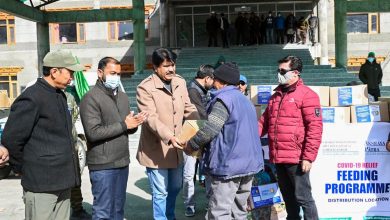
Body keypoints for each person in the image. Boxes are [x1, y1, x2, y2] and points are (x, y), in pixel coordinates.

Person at [1, 50, 83, 220]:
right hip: (41, 185)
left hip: (63, 181)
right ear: (54, 72)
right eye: (70, 72)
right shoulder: (32, 97)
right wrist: (21, 169)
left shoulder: (60, 96)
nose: (72, 78)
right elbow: (12, 138)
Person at [183, 62, 264, 220]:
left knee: (219, 211)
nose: (213, 83)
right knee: (239, 211)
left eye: (214, 79)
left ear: (220, 81)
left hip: (229, 167)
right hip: (249, 165)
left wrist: (191, 145)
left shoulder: (223, 100)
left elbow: (210, 129)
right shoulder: (245, 100)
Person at [80, 57, 147, 220]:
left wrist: (134, 123)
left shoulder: (123, 97)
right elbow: (93, 133)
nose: (116, 77)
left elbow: (125, 127)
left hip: (122, 162)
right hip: (103, 165)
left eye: (118, 73)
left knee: (118, 210)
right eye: (112, 73)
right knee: (103, 212)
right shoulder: (90, 98)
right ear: (100, 73)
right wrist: (125, 125)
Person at [136, 47, 199, 220]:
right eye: (166, 66)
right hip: (156, 150)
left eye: (173, 65)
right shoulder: (145, 88)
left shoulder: (180, 81)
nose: (171, 69)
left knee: (175, 187)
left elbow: (189, 107)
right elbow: (151, 118)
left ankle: (169, 215)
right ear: (155, 67)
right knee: (160, 192)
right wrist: (169, 136)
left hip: (177, 148)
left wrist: (199, 124)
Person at [259, 55, 323, 220]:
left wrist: (308, 157)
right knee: (289, 200)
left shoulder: (308, 95)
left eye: (282, 71)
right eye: (278, 70)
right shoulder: (275, 97)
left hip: (297, 158)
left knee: (304, 198)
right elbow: (263, 123)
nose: (279, 74)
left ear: (295, 73)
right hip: (278, 157)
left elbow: (315, 128)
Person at [184, 64, 215, 217]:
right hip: (191, 134)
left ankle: (209, 204)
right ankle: (189, 204)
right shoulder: (192, 90)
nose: (214, 84)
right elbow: (201, 115)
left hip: (202, 132)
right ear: (207, 78)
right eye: (213, 80)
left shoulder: (203, 90)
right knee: (189, 174)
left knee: (207, 171)